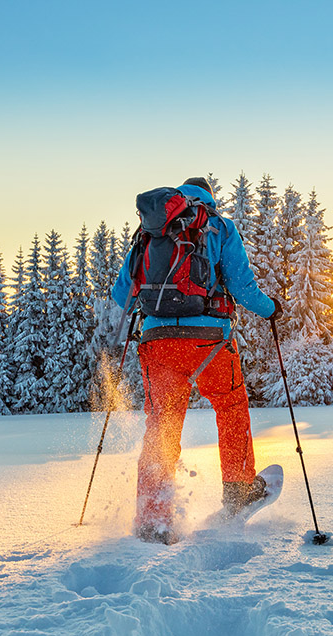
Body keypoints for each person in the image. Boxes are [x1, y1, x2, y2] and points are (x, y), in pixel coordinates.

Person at [111, 176, 280, 544]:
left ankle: (153, 518)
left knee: (162, 425)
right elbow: (242, 287)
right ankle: (238, 489)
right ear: (209, 198)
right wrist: (271, 310)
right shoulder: (219, 226)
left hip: (157, 344)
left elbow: (122, 294)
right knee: (230, 407)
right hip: (209, 342)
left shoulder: (150, 231)